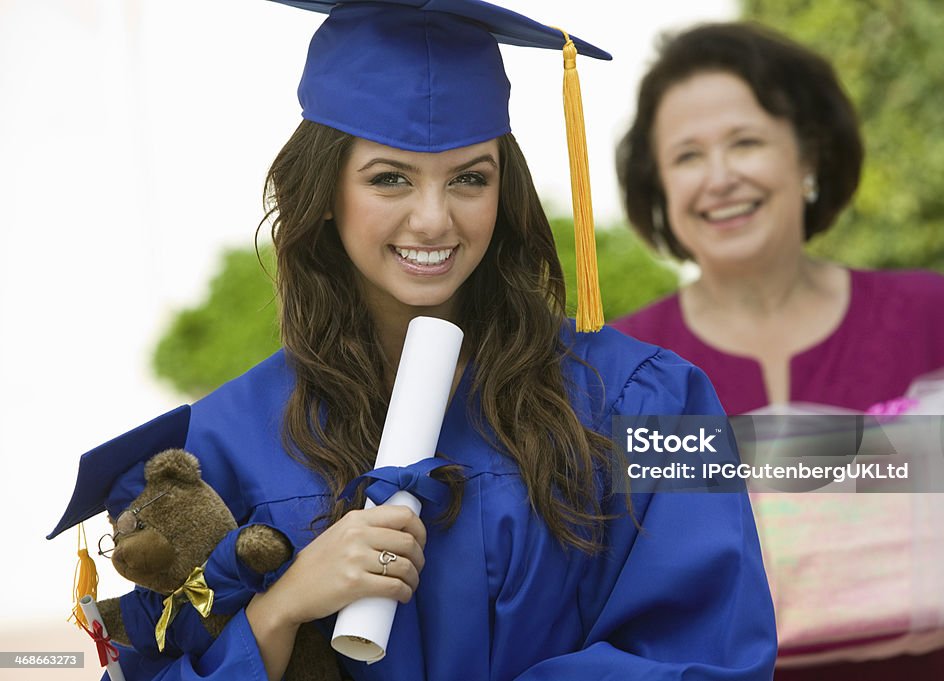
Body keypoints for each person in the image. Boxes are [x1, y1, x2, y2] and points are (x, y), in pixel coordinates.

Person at [48, 3, 777, 680]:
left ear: (505, 186)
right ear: (327, 192)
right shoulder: (219, 444)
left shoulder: (663, 401)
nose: (434, 220)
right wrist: (283, 605)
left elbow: (716, 654)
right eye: (390, 178)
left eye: (469, 177)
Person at [613, 21, 944, 681]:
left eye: (746, 142)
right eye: (686, 155)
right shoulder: (618, 363)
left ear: (809, 156)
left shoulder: (942, 319)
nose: (719, 177)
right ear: (658, 187)